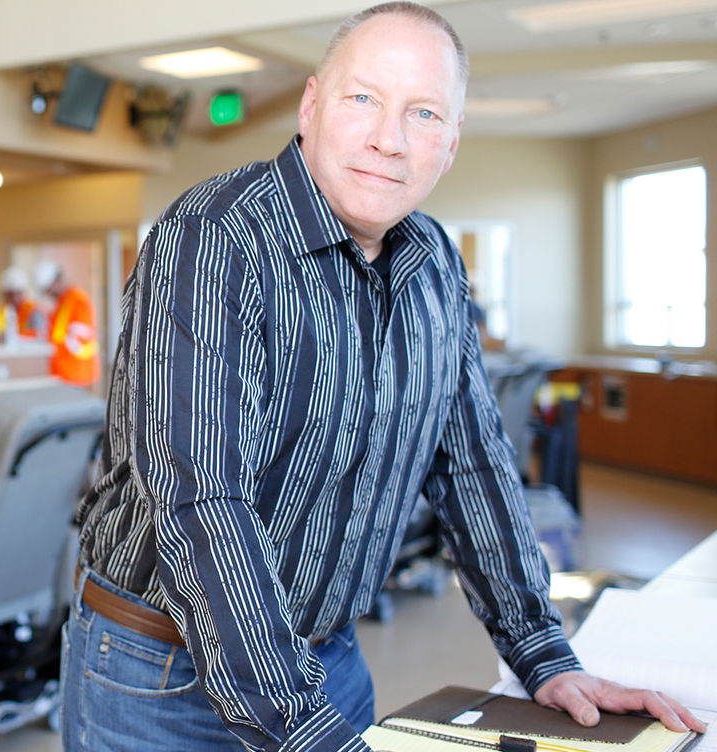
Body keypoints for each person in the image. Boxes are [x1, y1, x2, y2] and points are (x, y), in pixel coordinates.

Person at [60, 4, 705, 752]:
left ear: (452, 141)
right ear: (310, 106)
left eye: (423, 113)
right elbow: (202, 501)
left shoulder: (434, 263)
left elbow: (472, 464)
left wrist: (542, 653)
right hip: (158, 678)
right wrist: (305, 729)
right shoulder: (213, 242)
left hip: (325, 659)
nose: (387, 139)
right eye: (362, 97)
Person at [32, 259, 99, 387]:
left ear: (56, 282)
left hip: (76, 373)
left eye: (48, 289)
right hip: (62, 373)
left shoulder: (77, 300)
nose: (47, 294)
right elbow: (55, 332)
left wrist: (53, 346)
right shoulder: (61, 302)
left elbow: (78, 342)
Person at [0, 265, 45, 339]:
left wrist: (7, 337)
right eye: (7, 294)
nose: (9, 298)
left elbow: (38, 335)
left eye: (12, 294)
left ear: (21, 292)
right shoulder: (0, 311)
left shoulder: (32, 311)